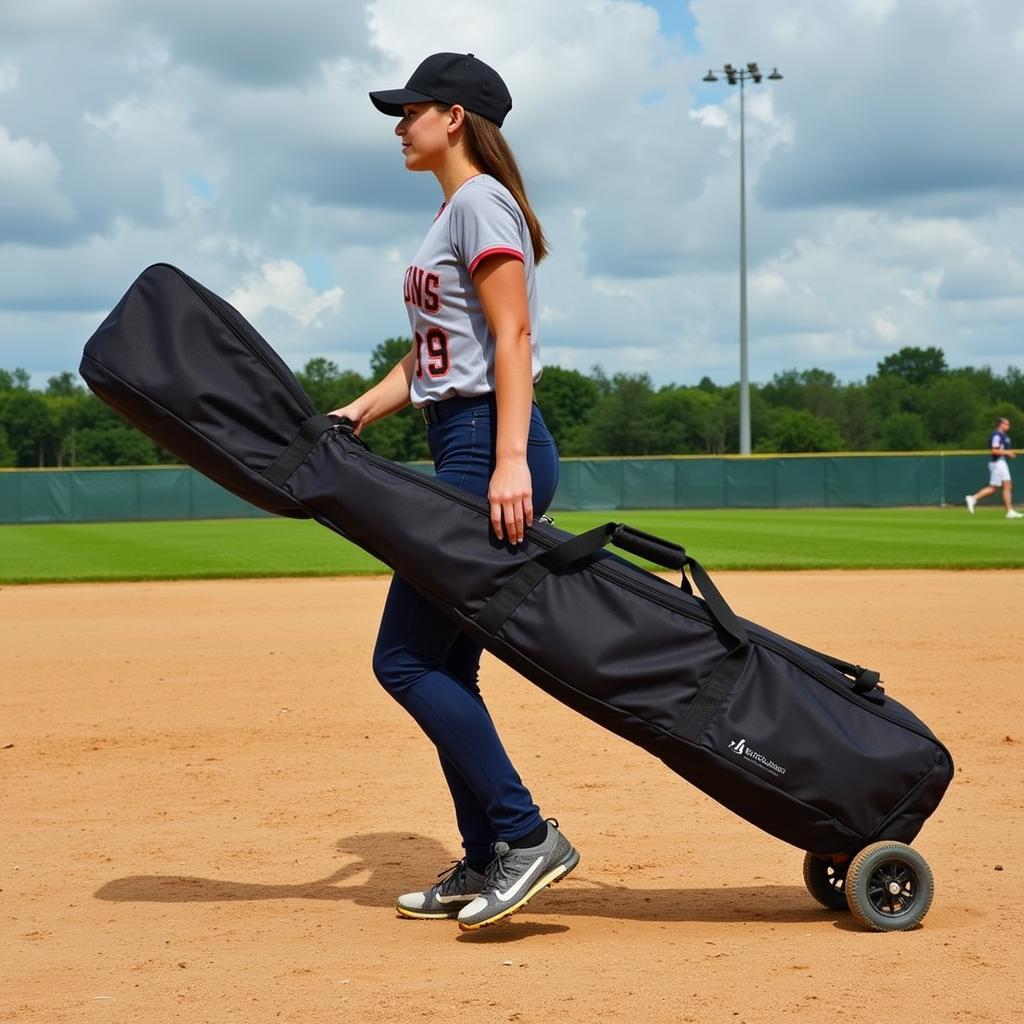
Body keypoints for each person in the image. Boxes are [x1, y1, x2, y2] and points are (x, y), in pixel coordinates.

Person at [330, 53, 579, 931]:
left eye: (412, 110)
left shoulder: (478, 203)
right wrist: (363, 407)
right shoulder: (454, 210)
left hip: (487, 446)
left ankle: (524, 834)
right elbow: (438, 352)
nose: (400, 125)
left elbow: (511, 334)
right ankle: (483, 858)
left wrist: (510, 458)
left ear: (456, 119)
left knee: (401, 658)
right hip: (463, 439)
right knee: (443, 663)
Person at [966, 416, 1022, 519]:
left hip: (1001, 462)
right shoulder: (997, 435)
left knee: (1002, 487)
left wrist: (1008, 454)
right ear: (1001, 424)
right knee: (1000, 487)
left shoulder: (1003, 435)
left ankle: (1009, 510)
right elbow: (994, 450)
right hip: (998, 463)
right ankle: (973, 498)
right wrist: (1008, 452)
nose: (1008, 426)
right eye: (1006, 424)